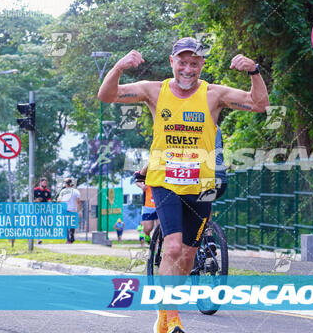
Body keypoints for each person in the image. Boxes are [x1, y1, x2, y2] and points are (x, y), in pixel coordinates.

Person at [98, 37, 269, 333]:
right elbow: (107, 95)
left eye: (194, 63)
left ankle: (165, 314)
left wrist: (254, 71)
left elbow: (259, 104)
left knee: (189, 254)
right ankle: (172, 318)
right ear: (172, 62)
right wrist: (119, 66)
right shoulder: (154, 90)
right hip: (165, 181)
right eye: (183, 62)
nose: (188, 69)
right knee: (173, 247)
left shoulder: (214, 94)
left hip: (201, 186)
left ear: (202, 65)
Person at [134, 167, 158, 244]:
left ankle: (158, 245)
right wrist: (142, 186)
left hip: (159, 205)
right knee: (148, 228)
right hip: (148, 205)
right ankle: (147, 237)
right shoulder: (146, 172)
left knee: (160, 228)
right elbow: (137, 179)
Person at [57, 177, 81, 244]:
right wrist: (79, 211)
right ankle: (71, 238)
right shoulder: (76, 191)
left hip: (65, 210)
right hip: (73, 210)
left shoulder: (63, 191)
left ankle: (68, 239)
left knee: (66, 225)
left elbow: (59, 200)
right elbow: (78, 201)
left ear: (66, 184)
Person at [34, 177, 52, 244]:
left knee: (42, 224)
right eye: (44, 182)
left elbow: (49, 201)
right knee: (38, 224)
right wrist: (36, 200)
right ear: (41, 182)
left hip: (44, 210)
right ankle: (38, 238)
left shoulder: (47, 191)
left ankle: (39, 237)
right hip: (36, 210)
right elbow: (31, 200)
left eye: (46, 182)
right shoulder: (35, 190)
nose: (45, 184)